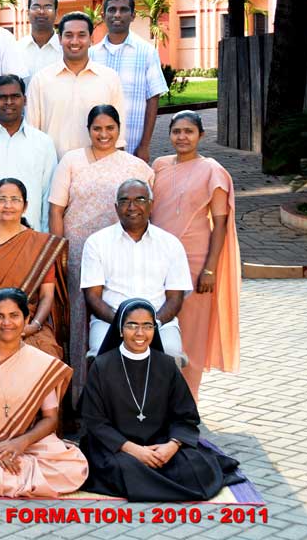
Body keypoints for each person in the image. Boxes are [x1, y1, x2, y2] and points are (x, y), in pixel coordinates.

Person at [79, 298, 242, 501]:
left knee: (193, 466)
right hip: (118, 446)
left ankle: (151, 481)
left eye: (147, 326)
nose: (140, 333)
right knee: (119, 468)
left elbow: (185, 415)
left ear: (154, 330)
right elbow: (95, 421)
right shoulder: (102, 366)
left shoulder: (166, 365)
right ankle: (156, 480)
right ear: (120, 330)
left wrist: (171, 446)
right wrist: (134, 450)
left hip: (161, 443)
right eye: (132, 325)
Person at [48, 105, 155, 400]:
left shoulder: (136, 167)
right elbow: (56, 210)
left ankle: (121, 395)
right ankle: (80, 394)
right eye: (97, 128)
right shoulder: (72, 161)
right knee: (79, 318)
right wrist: (60, 252)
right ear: (89, 130)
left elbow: (149, 211)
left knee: (119, 311)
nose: (103, 134)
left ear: (119, 130)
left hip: (122, 253)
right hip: (78, 252)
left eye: (110, 128)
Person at [0, 288, 88, 498]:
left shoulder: (40, 361)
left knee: (74, 466)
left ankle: (21, 471)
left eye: (14, 315)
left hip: (26, 444)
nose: (6, 323)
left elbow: (50, 419)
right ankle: (16, 473)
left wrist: (20, 443)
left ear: (26, 319)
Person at [150, 111, 240, 401]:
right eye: (176, 131)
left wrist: (210, 269)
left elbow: (220, 223)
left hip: (196, 260)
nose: (182, 137)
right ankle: (160, 399)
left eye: (189, 131)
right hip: (158, 260)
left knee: (192, 332)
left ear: (201, 135)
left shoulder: (212, 170)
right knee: (159, 327)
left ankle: (189, 401)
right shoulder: (160, 166)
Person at [81, 179, 193, 366]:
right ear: (116, 207)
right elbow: (92, 297)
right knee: (101, 355)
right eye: (125, 201)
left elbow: (175, 298)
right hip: (110, 322)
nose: (132, 207)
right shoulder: (96, 242)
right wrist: (122, 324)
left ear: (151, 204)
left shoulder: (170, 244)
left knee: (171, 354)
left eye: (140, 200)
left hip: (159, 323)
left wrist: (150, 324)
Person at [0, 179, 67, 366]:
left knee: (47, 356)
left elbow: (47, 295)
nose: (8, 205)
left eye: (15, 200)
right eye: (2, 200)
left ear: (25, 206)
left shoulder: (40, 245)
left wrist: (34, 326)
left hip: (27, 324)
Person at [27, 11, 126, 158]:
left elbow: (119, 134)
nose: (74, 41)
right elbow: (32, 133)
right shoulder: (41, 80)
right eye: (68, 35)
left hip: (97, 166)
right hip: (53, 166)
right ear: (60, 39)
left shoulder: (109, 78)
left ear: (91, 38)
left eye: (81, 35)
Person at [89, 0, 168, 161]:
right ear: (103, 15)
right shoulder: (91, 55)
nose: (117, 14)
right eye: (112, 10)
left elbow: (153, 99)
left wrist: (144, 145)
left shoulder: (147, 52)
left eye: (123, 9)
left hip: (132, 146)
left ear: (132, 16)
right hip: (95, 147)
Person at [0, 75, 57, 232]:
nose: (9, 102)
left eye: (15, 96)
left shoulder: (43, 143)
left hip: (31, 234)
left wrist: (44, 237)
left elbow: (48, 195)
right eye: (2, 97)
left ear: (24, 100)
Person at [8, 0, 62, 86]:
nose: (41, 11)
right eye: (36, 7)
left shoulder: (65, 50)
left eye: (48, 7)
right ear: (28, 13)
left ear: (56, 13)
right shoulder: (16, 49)